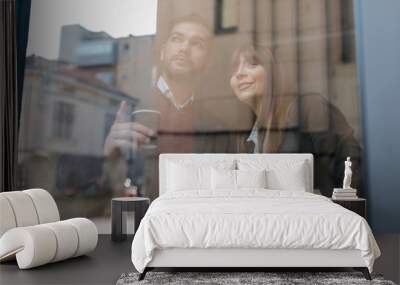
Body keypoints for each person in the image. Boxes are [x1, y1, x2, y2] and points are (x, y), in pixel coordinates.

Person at [229, 45, 363, 197]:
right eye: (234, 69)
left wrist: (343, 211)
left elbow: (349, 164)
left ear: (273, 73)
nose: (239, 73)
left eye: (252, 64)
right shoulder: (247, 136)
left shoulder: (309, 108)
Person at [103, 15, 212, 200]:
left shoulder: (214, 124)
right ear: (162, 53)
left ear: (207, 64)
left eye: (197, 43)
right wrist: (109, 154)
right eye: (177, 39)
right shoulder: (130, 107)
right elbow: (106, 192)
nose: (184, 48)